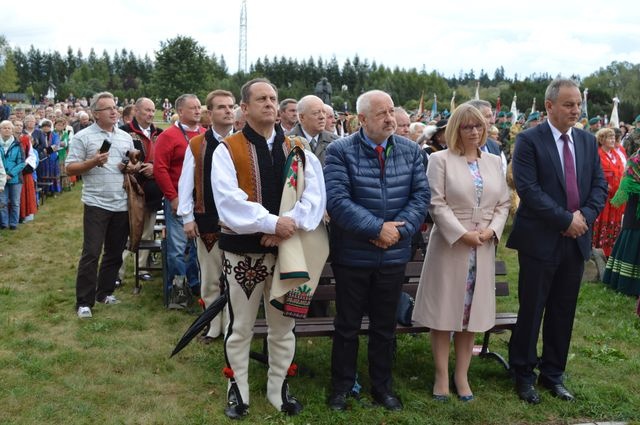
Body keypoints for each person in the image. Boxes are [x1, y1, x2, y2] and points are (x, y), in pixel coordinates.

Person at [211, 78, 326, 418]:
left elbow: (315, 197)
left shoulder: (297, 148)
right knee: (240, 326)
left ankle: (279, 389)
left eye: (273, 98)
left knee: (282, 326)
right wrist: (271, 223)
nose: (270, 104)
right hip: (241, 255)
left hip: (287, 253)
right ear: (243, 108)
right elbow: (228, 202)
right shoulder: (227, 150)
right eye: (261, 99)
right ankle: (238, 390)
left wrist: (286, 225)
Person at [324, 90, 430, 412]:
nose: (390, 119)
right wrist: (376, 228)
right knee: (347, 326)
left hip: (393, 254)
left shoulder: (411, 152)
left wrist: (399, 231)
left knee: (384, 327)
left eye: (391, 112)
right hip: (353, 255)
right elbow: (338, 201)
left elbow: (421, 196)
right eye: (382, 113)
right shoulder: (339, 151)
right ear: (362, 120)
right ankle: (341, 386)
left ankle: (382, 387)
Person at [507, 78, 607, 404]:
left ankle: (553, 374)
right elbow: (530, 190)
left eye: (578, 104)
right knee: (532, 309)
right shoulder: (529, 141)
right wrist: (566, 219)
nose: (575, 110)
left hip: (575, 241)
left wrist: (583, 219)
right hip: (540, 241)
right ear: (549, 106)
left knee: (563, 311)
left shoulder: (588, 142)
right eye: (568, 104)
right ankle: (523, 373)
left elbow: (599, 187)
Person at [412, 103, 510, 402]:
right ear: (456, 129)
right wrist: (461, 233)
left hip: (481, 246)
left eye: (478, 126)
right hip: (451, 245)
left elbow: (503, 203)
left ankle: (462, 375)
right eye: (467, 127)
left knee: (472, 314)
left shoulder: (494, 162)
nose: (474, 132)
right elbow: (436, 203)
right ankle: (442, 375)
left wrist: (492, 231)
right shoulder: (440, 160)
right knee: (444, 313)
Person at [65, 92, 136, 318]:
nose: (114, 111)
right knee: (91, 252)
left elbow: (127, 164)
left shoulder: (125, 136)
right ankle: (84, 302)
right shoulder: (83, 137)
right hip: (96, 202)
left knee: (114, 252)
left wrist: (129, 165)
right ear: (96, 114)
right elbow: (69, 169)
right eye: (108, 108)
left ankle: (104, 292)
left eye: (115, 107)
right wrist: (93, 162)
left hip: (121, 202)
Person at [177, 90, 234, 341]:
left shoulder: (244, 142)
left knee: (236, 279)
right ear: (209, 114)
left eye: (231, 106)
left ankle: (233, 326)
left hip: (238, 225)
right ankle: (213, 325)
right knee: (210, 279)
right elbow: (186, 183)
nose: (228, 111)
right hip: (207, 220)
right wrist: (187, 217)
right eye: (221, 107)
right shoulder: (197, 144)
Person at [154, 94, 204, 300]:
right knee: (177, 247)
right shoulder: (169, 136)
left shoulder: (204, 134)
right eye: (192, 107)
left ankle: (195, 285)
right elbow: (160, 169)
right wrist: (173, 197)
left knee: (197, 248)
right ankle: (178, 292)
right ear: (180, 111)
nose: (198, 110)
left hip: (200, 202)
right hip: (177, 200)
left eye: (199, 107)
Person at [118, 98, 163, 285]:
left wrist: (154, 167)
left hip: (152, 192)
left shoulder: (160, 134)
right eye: (147, 110)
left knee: (147, 233)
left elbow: (165, 160)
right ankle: (116, 273)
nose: (151, 114)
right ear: (136, 111)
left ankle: (142, 268)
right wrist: (135, 166)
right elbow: (118, 160)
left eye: (153, 111)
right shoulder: (123, 133)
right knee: (124, 233)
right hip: (129, 191)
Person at [603, 151, 640, 297]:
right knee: (632, 241)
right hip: (636, 210)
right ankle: (626, 284)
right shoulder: (635, 160)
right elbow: (627, 182)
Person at [592, 128, 625, 257]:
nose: (613, 140)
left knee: (614, 222)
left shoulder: (616, 154)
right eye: (609, 137)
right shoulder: (598, 154)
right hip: (604, 197)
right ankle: (598, 249)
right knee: (602, 221)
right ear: (602, 140)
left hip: (616, 197)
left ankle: (610, 249)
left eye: (613, 137)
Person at [287, 95, 338, 166]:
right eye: (316, 113)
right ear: (302, 117)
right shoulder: (286, 142)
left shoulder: (336, 142)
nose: (322, 117)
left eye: (324, 112)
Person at [0, 120, 25, 230]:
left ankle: (13, 224)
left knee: (15, 202)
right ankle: (4, 224)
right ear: (0, 130)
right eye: (4, 128)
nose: (7, 130)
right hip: (1, 178)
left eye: (9, 128)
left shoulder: (18, 144)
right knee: (2, 202)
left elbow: (22, 162)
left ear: (12, 130)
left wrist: (10, 174)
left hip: (15, 179)